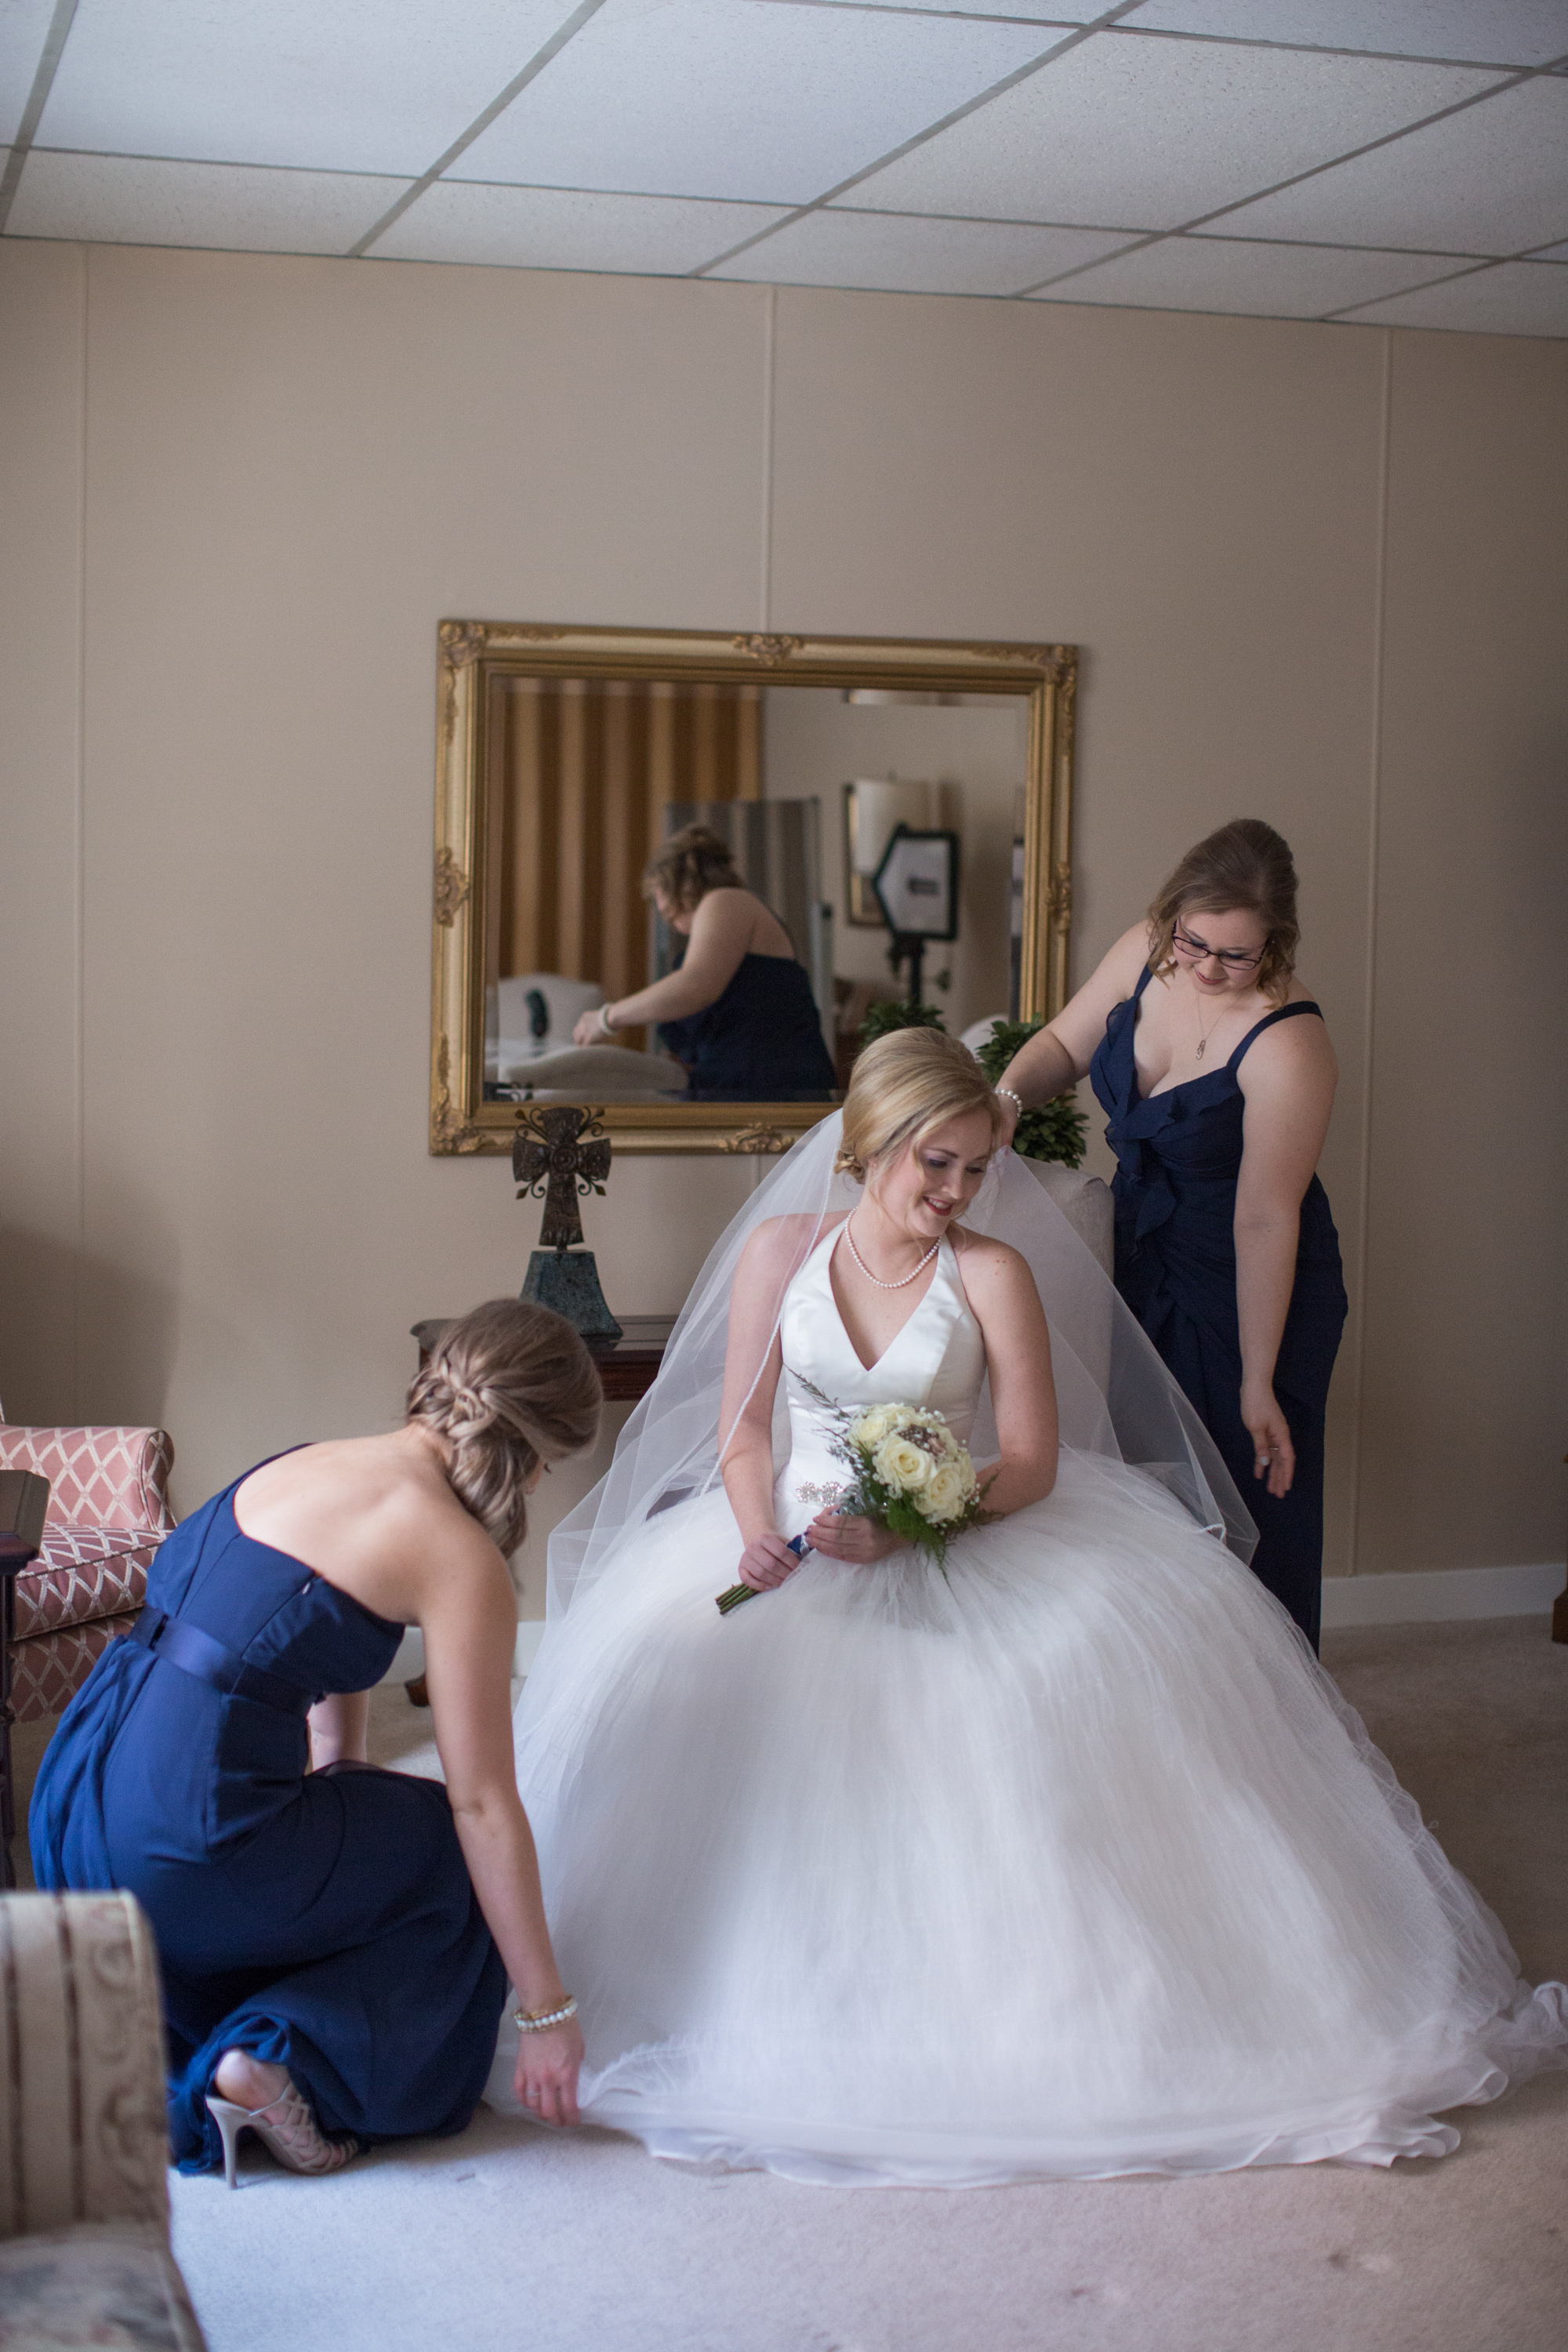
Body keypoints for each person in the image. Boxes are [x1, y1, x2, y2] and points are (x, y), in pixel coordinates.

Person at [485, 1029, 1564, 2187]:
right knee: (671, 1696)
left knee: (1034, 1702)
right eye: (934, 1164)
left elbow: (1036, 1461)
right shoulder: (778, 1249)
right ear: (871, 1146)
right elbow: (744, 1428)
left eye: (975, 1169)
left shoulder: (992, 1274)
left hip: (951, 1533)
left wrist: (910, 1525)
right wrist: (755, 1529)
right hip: (787, 1543)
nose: (955, 1193)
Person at [31, 1300, 601, 2182]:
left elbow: (318, 1641)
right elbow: (482, 1802)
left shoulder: (305, 1462)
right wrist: (544, 2012)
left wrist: (342, 1777)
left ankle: (230, 2014)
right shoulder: (456, 1555)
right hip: (187, 1845)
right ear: (535, 1460)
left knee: (377, 1820)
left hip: (77, 1800)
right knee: (450, 1859)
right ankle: (284, 2058)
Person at [995, 818, 1345, 1648]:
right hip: (1143, 1254)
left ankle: (1266, 1733)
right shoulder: (1145, 950)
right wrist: (1004, 1100)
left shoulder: (1288, 1041)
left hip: (1252, 1282)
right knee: (1147, 1494)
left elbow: (1265, 1217)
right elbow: (1057, 1046)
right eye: (1196, 943)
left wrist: (1257, 1378)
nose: (1208, 969)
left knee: (1250, 1502)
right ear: (1172, 915)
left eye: (1238, 954)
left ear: (1276, 942)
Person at [571, 824, 837, 1101]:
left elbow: (694, 986)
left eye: (664, 906)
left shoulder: (725, 900)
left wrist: (606, 1018)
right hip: (750, 1083)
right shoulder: (729, 911)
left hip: (768, 1086)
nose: (664, 916)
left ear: (678, 884)